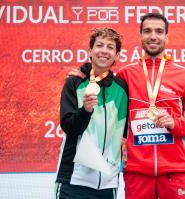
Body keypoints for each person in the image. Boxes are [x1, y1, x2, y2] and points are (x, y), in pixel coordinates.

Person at [71, 13, 185, 199]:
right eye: (147, 31)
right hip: (137, 172)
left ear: (166, 37)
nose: (153, 36)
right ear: (140, 35)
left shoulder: (184, 76)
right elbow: (102, 83)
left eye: (159, 31)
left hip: (175, 171)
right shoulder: (125, 75)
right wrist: (83, 76)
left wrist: (175, 124)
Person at [55, 28, 128, 199]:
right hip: (74, 180)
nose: (104, 50)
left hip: (108, 183)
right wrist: (85, 111)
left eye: (110, 47)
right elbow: (68, 126)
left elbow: (126, 130)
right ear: (90, 51)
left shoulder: (122, 88)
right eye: (99, 45)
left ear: (117, 55)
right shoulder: (75, 82)